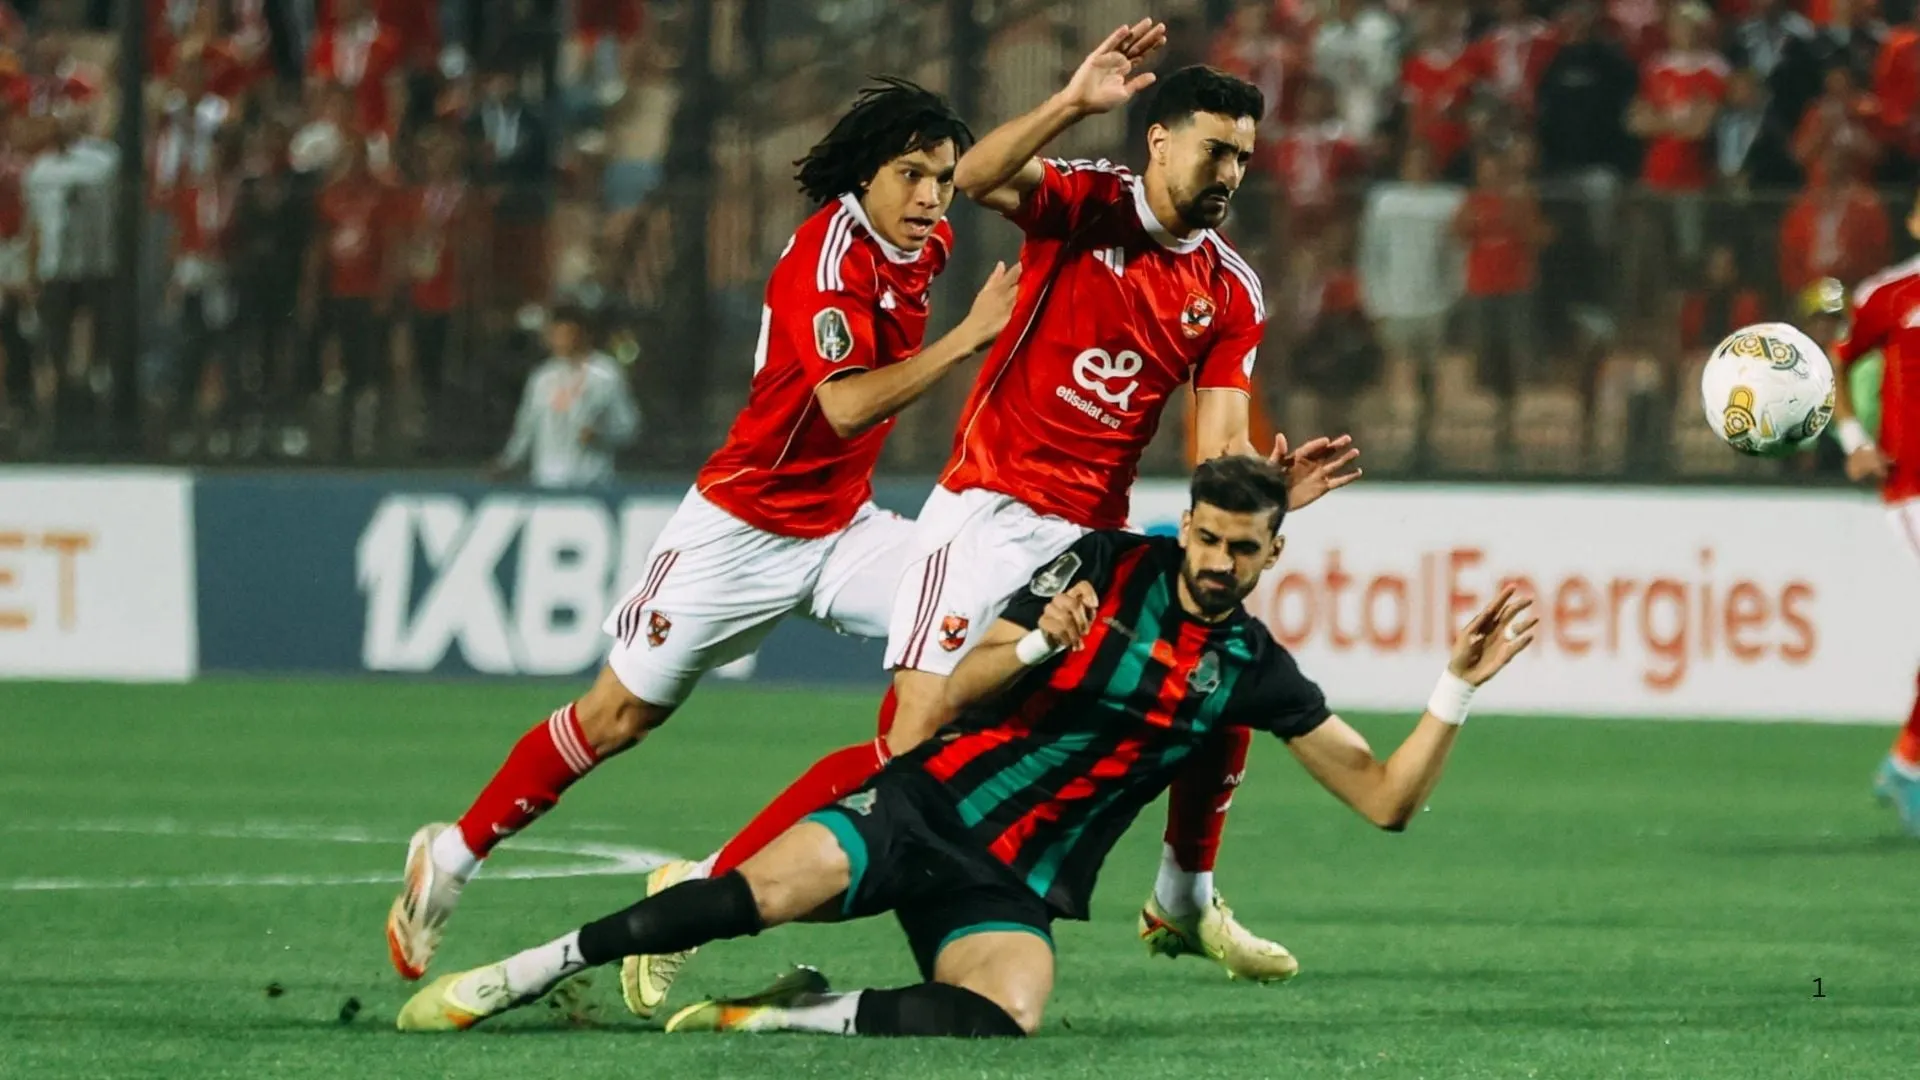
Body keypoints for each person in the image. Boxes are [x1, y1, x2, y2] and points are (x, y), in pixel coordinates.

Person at [625, 23, 1363, 1014]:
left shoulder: (1229, 290)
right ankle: (706, 883)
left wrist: (1266, 495)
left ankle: (1182, 895)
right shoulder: (1086, 201)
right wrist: (1069, 101)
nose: (1231, 169)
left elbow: (1217, 455)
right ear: (1159, 140)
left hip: (1085, 539)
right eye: (1214, 148)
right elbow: (974, 178)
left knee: (1212, 656)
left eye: (1243, 155)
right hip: (987, 512)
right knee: (913, 745)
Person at [395, 456, 1535, 1038]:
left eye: (1248, 549)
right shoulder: (1098, 564)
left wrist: (1456, 688)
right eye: (1213, 537)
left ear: (1273, 557)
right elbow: (955, 688)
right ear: (1186, 525)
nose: (1224, 562)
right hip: (923, 809)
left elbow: (1384, 798)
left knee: (1006, 1020)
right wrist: (1041, 641)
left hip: (1014, 884)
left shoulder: (1256, 672)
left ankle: (783, 1016)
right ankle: (518, 974)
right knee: (741, 897)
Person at [384, 77, 1022, 981]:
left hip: (843, 531)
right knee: (616, 718)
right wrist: (965, 342)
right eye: (912, 174)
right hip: (740, 530)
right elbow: (840, 408)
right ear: (867, 176)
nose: (930, 198)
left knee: (956, 674)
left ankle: (704, 885)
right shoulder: (826, 258)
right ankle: (451, 855)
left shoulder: (928, 241)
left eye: (945, 179)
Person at [1822, 193, 1920, 833]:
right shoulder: (1889, 293)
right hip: (1914, 486)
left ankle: (1906, 761)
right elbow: (1832, 365)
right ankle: (1908, 764)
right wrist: (1855, 444)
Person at [490, 303, 639, 488]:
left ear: (584, 335)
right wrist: (507, 462)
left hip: (592, 483)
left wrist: (601, 435)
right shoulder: (542, 378)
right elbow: (525, 427)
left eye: (567, 335)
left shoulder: (606, 374)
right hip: (546, 481)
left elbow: (629, 427)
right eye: (555, 335)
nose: (560, 341)